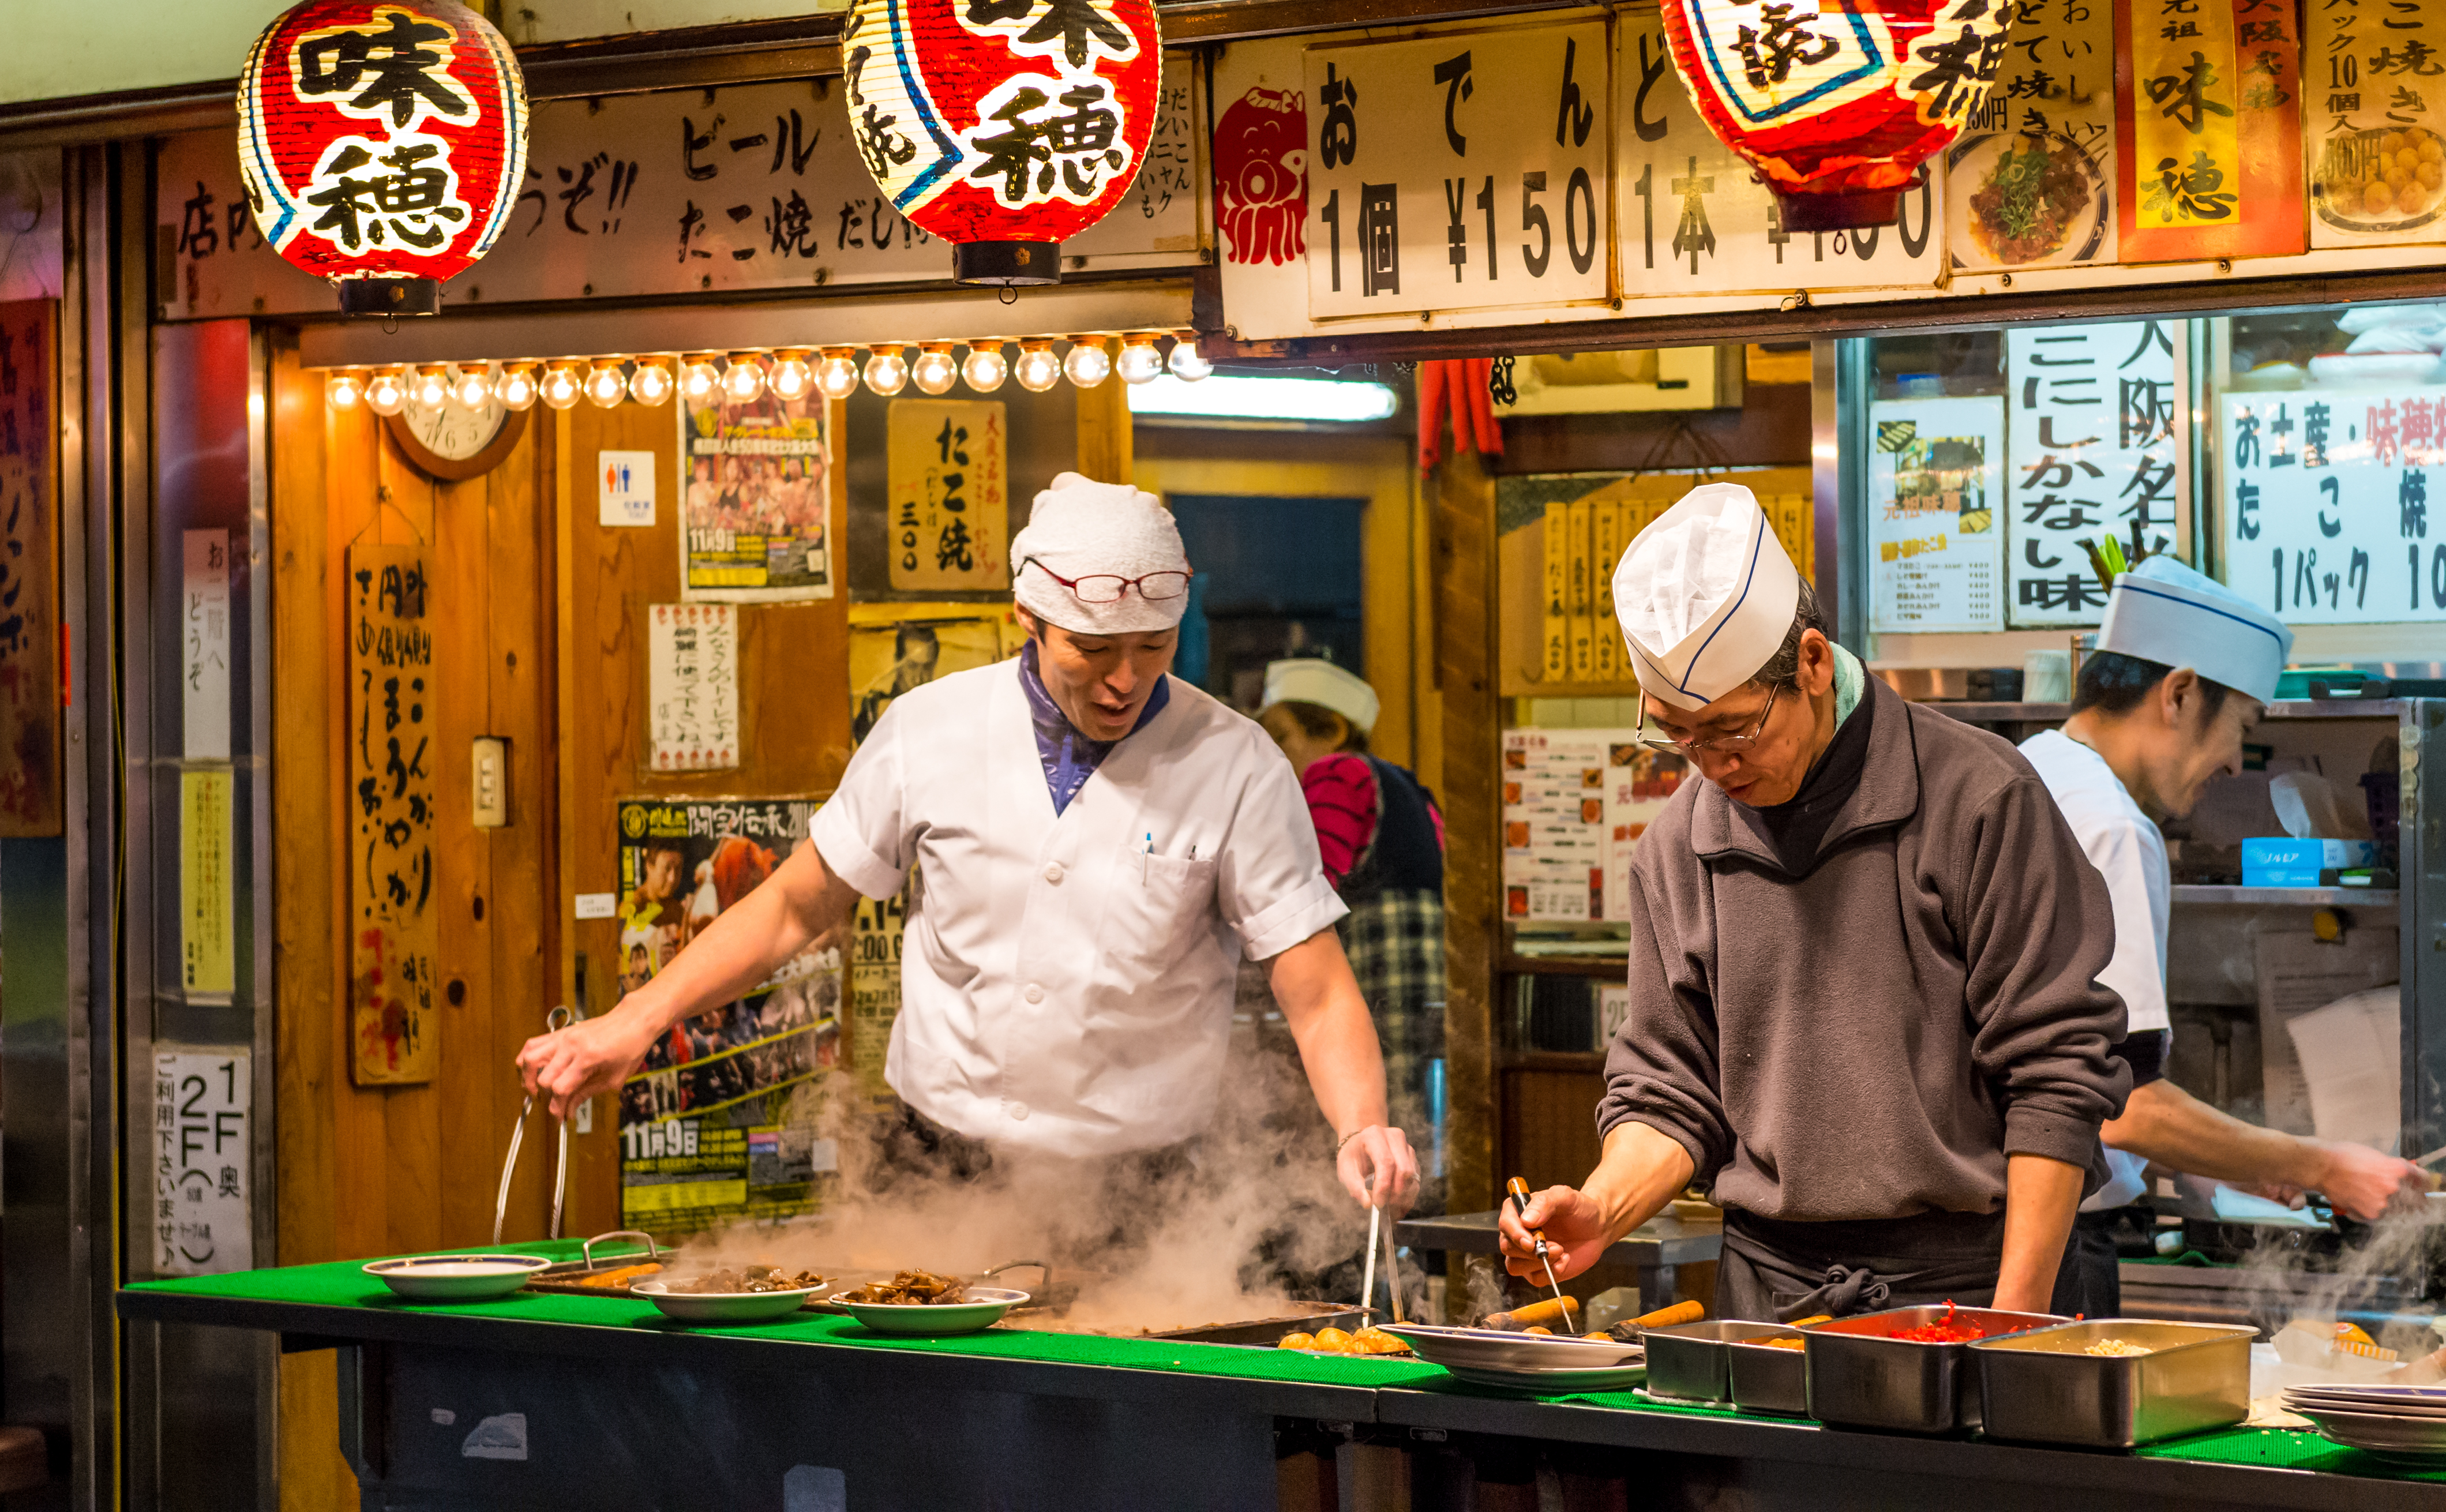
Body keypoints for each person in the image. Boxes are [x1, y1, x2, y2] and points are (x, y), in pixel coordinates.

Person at [520, 472, 1418, 1221]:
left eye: (1153, 648)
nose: (1124, 679)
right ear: (1026, 616)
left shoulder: (1236, 761)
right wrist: (631, 1022)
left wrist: (1361, 1125)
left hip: (1145, 1189)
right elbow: (796, 907)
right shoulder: (929, 728)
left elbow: (1316, 986)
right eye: (1092, 648)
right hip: (938, 1162)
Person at [1499, 483, 2130, 1319]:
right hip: (1770, 1295)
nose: (1711, 764)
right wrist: (1603, 1208)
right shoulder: (1677, 845)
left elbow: (2056, 1071)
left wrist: (2011, 1319)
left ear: (1812, 662)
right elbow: (1670, 1085)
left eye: (1732, 728)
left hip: (1974, 1278)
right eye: (1677, 734)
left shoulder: (1980, 799)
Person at [2022, 557, 2428, 1318]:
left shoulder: (2035, 770)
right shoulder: (2111, 825)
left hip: (2005, 1231)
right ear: (2178, 693)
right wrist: (2324, 1164)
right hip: (2063, 1243)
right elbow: (2124, 1103)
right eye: (2242, 727)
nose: (2238, 762)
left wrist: (2223, 1160)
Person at [1257, 658, 1447, 1200]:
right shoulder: (1406, 785)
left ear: (1333, 730)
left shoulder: (1335, 772)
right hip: (1428, 989)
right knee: (1409, 1130)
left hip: (1373, 979)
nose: (1273, 754)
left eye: (1281, 736)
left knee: (1362, 1142)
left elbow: (1311, 884)